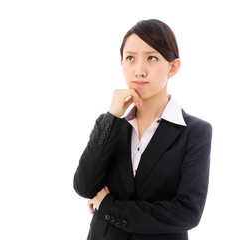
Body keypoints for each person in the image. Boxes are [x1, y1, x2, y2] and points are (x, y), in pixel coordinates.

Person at [73, 19, 212, 240]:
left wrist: (110, 207)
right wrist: (112, 117)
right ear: (121, 63)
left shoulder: (195, 132)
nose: (139, 71)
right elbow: (84, 186)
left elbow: (187, 213)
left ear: (173, 67)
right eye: (130, 58)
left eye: (152, 58)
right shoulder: (108, 123)